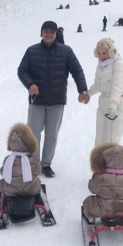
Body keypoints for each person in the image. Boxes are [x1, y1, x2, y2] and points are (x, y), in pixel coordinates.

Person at [18, 21, 88, 177]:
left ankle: (46, 164)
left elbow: (77, 71)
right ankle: (34, 164)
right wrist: (30, 85)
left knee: (52, 135)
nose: (49, 34)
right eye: (46, 31)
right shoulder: (31, 51)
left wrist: (82, 89)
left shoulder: (66, 51)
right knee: (34, 134)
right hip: (36, 100)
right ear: (41, 33)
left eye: (52, 31)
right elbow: (22, 70)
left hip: (57, 100)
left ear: (56, 33)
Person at [83, 38, 123, 145]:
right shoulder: (101, 66)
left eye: (104, 53)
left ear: (111, 51)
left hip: (117, 105)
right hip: (103, 104)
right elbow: (98, 85)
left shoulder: (119, 65)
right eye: (99, 53)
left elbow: (117, 87)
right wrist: (88, 94)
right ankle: (98, 162)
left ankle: (111, 162)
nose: (101, 56)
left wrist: (113, 106)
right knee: (100, 139)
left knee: (111, 140)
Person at [82, 143, 123, 224]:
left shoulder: (99, 177)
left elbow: (92, 189)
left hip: (102, 210)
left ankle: (90, 217)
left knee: (88, 201)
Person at [0, 123, 44, 205]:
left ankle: (4, 198)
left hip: (12, 190)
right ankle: (37, 197)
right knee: (37, 182)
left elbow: (3, 172)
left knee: (2, 182)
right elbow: (38, 171)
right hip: (30, 190)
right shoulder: (33, 160)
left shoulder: (8, 160)